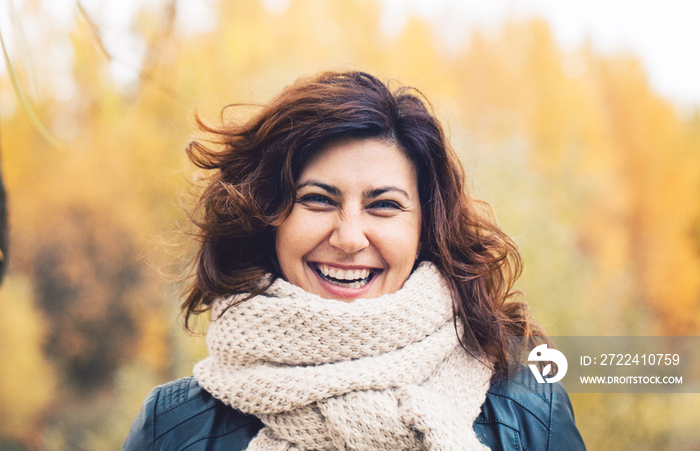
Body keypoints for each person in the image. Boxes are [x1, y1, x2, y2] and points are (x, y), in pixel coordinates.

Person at [123, 71, 586, 450]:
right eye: (318, 200)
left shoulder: (531, 417)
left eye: (383, 205)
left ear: (426, 230)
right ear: (269, 218)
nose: (348, 238)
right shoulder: (172, 428)